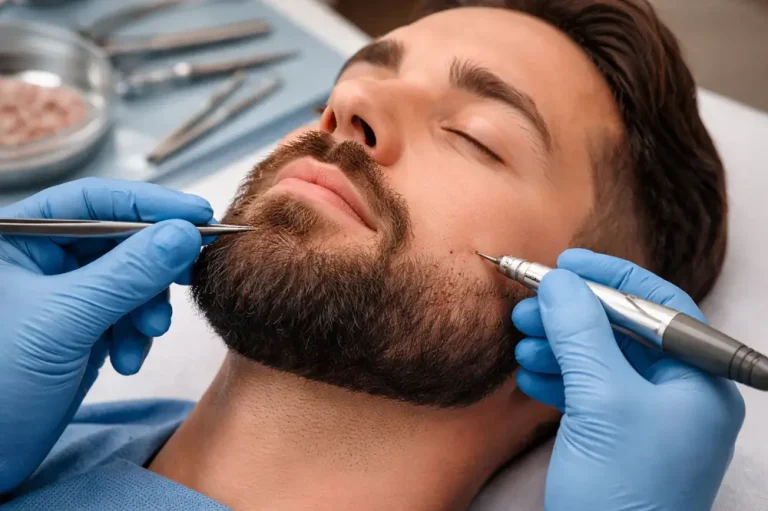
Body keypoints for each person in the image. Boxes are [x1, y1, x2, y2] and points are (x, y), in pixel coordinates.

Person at [0, 1, 744, 510]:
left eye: (475, 135)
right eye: (352, 80)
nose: (349, 109)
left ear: (583, 336)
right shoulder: (32, 431)